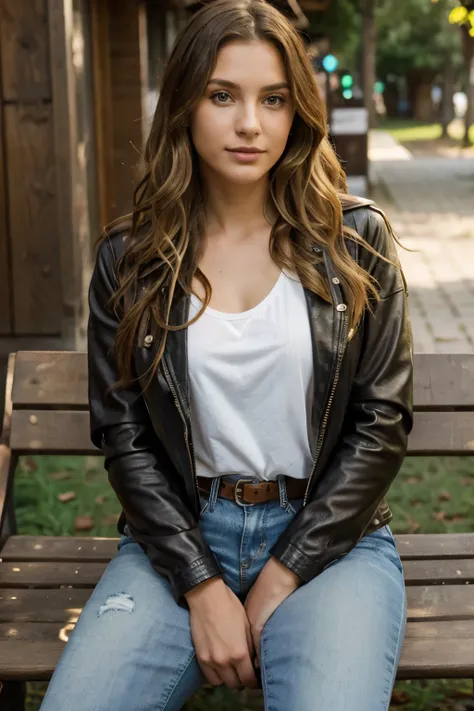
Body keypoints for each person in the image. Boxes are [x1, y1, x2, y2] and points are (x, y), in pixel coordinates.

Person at [40, 1, 413, 709]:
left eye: (273, 100)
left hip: (330, 540)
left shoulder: (356, 242)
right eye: (223, 96)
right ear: (185, 104)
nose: (250, 123)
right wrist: (201, 582)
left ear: (297, 112)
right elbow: (124, 435)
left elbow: (382, 421)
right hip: (178, 537)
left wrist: (282, 572)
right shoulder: (131, 259)